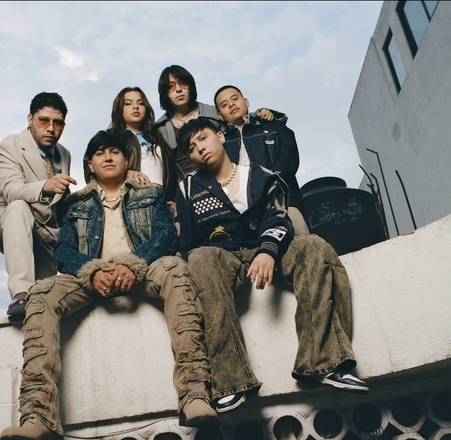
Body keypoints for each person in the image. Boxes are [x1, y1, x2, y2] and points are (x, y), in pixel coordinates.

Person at [0, 131, 216, 440]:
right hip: (93, 275)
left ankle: (195, 393)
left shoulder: (151, 193)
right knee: (41, 292)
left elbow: (164, 236)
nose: (108, 157)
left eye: (115, 152)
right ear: (90, 164)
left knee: (175, 269)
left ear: (126, 160)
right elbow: (64, 252)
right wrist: (92, 271)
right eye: (100, 153)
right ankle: (38, 417)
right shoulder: (75, 203)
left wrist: (133, 264)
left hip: (143, 269)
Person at [174, 118, 368, 414]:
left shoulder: (260, 175)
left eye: (203, 138)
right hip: (221, 257)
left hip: (265, 245)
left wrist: (268, 251)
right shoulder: (188, 187)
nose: (199, 148)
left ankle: (324, 363)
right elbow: (187, 243)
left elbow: (278, 217)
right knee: (199, 258)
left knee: (314, 246)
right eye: (191, 148)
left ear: (221, 136)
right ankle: (231, 383)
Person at [0, 92, 77, 318]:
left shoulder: (64, 154)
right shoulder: (7, 147)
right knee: (18, 207)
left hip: (48, 229)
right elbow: (12, 190)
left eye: (58, 123)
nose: (51, 128)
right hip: (12, 221)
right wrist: (45, 186)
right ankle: (20, 294)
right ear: (30, 119)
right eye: (44, 121)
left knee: (43, 299)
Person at [214, 84, 308, 235]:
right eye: (224, 105)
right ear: (220, 116)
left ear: (246, 102)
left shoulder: (273, 126)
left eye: (235, 99)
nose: (231, 104)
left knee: (302, 239)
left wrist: (270, 183)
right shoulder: (220, 141)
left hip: (282, 200)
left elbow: (288, 157)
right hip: (240, 211)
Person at [154, 65, 276, 180]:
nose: (178, 89)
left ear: (191, 87)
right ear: (164, 93)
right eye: (171, 87)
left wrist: (260, 114)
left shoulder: (214, 113)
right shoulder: (160, 129)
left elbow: (239, 119)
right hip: (192, 187)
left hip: (228, 179)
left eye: (183, 83)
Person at [107, 86, 177, 201]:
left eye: (140, 103)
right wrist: (123, 173)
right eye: (128, 103)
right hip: (131, 200)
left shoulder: (158, 137)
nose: (135, 107)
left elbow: (172, 174)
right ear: (119, 108)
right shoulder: (111, 137)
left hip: (161, 201)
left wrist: (174, 201)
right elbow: (92, 168)